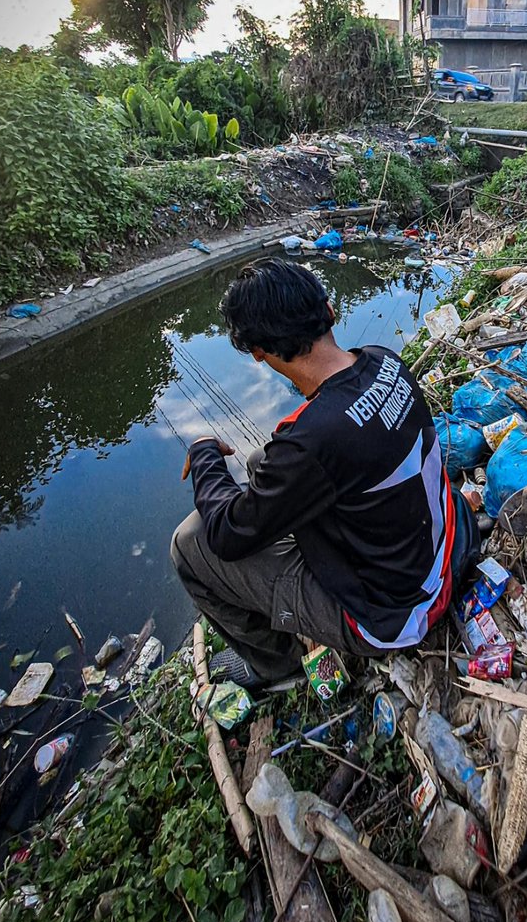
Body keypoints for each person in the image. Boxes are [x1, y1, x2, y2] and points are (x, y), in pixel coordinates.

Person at [170, 258, 476, 687]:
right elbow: (311, 450)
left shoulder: (310, 440)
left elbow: (225, 534)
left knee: (189, 543)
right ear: (329, 310)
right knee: (261, 462)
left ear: (258, 352)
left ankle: (277, 665)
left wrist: (205, 454)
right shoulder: (382, 360)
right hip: (445, 546)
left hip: (396, 613)